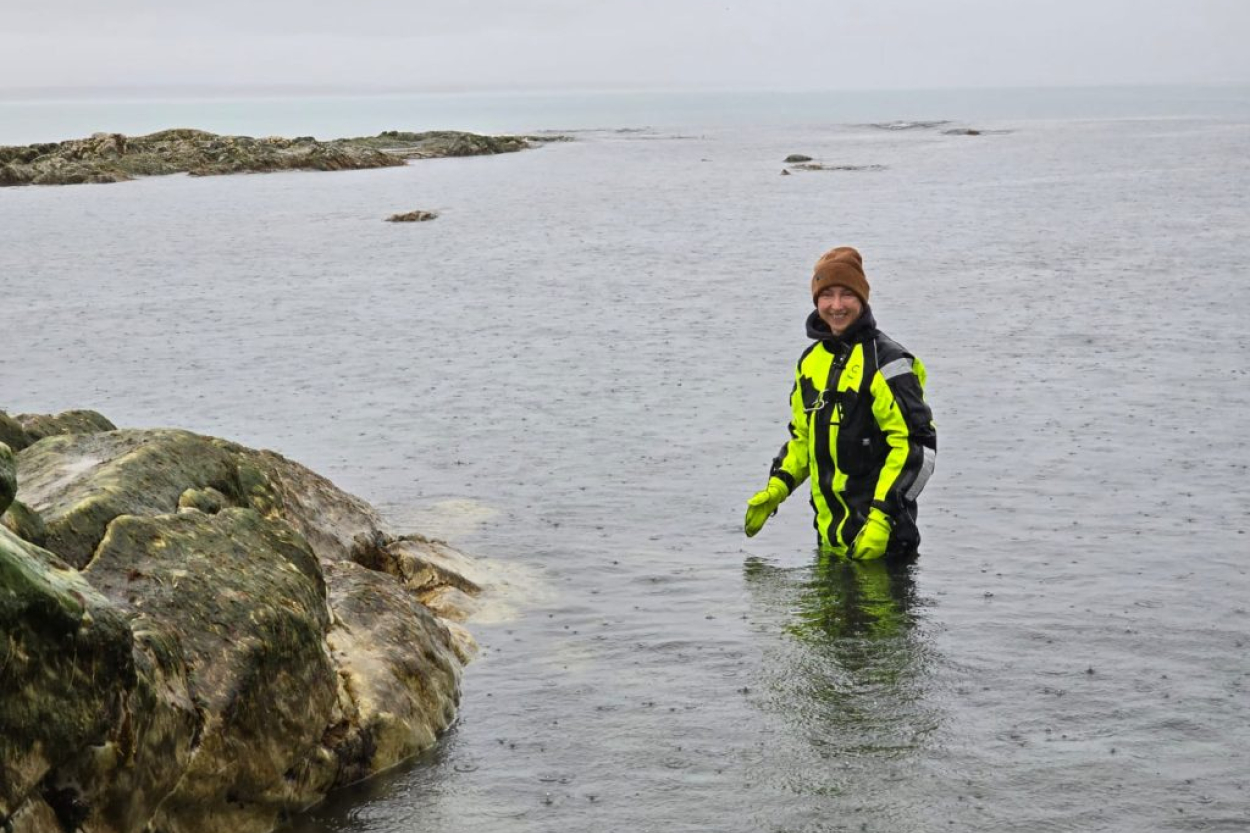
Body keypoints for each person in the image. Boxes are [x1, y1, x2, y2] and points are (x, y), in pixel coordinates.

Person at [744, 246, 936, 559]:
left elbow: (919, 449)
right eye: (826, 295)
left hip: (884, 545)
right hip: (829, 542)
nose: (836, 306)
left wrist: (882, 519)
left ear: (862, 298)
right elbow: (805, 439)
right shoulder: (810, 362)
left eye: (847, 294)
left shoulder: (888, 362)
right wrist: (778, 485)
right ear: (816, 300)